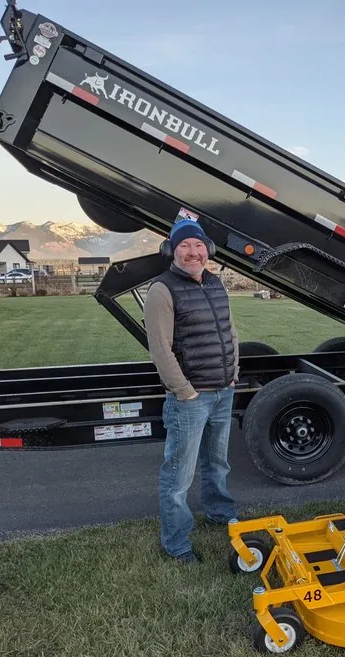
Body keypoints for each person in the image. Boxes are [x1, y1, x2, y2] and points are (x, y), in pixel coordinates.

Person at [144, 217, 240, 563]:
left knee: (218, 463)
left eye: (198, 245)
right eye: (184, 245)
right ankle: (177, 543)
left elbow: (230, 330)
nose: (193, 252)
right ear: (172, 250)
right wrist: (184, 391)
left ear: (208, 250)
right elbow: (159, 348)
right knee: (178, 475)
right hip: (191, 399)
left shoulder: (215, 283)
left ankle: (220, 513)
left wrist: (233, 373)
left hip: (222, 392)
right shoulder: (162, 290)